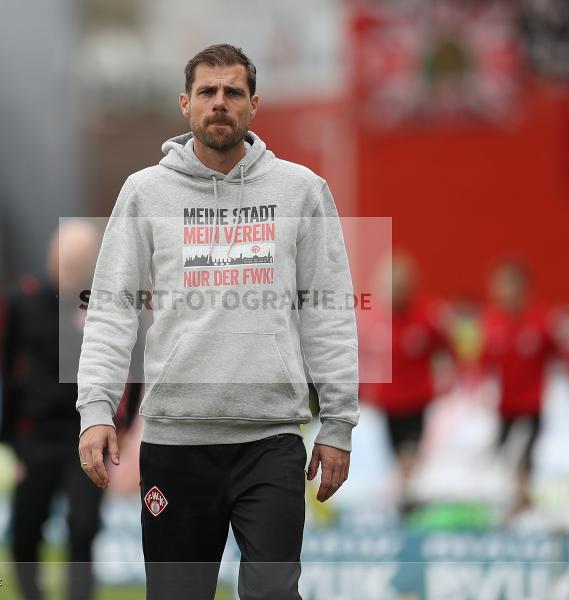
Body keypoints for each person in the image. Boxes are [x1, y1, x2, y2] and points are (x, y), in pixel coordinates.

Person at [76, 44, 359, 600]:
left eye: (233, 92)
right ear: (186, 105)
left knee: (274, 593)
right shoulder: (144, 193)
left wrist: (338, 422)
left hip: (271, 439)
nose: (220, 103)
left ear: (254, 105)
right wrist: (94, 408)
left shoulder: (301, 191)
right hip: (175, 440)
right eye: (208, 92)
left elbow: (327, 310)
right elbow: (112, 308)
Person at [0, 220, 121, 600]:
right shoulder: (23, 299)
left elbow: (125, 364)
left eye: (79, 261)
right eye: (65, 259)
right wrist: (9, 441)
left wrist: (124, 428)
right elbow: (4, 371)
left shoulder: (101, 304)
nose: (70, 268)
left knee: (83, 527)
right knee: (24, 530)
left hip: (85, 432)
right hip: (36, 435)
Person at [479, 260, 569, 519]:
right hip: (504, 405)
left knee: (523, 454)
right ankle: (520, 500)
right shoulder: (491, 321)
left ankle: (521, 504)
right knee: (501, 454)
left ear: (522, 287)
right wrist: (477, 389)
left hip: (531, 405)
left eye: (507, 285)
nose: (502, 292)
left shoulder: (544, 320)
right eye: (498, 286)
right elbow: (482, 362)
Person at [361, 253, 455, 516]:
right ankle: (404, 494)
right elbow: (362, 357)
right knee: (395, 452)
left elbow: (447, 349)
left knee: (410, 451)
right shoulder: (373, 321)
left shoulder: (427, 317)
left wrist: (449, 380)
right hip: (388, 403)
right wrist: (363, 389)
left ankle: (405, 494)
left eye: (400, 287)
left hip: (417, 399)